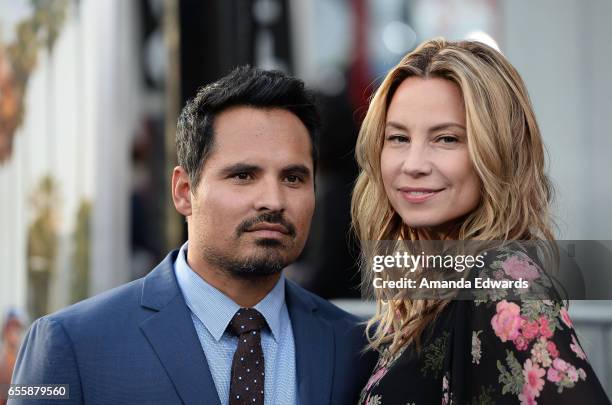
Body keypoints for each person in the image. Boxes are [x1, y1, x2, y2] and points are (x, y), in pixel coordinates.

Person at [10, 66, 375, 405]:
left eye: (293, 178)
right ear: (184, 191)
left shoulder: (356, 347)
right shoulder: (71, 344)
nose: (274, 200)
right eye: (243, 175)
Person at [351, 39, 611, 404]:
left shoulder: (502, 279)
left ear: (498, 151)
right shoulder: (436, 286)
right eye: (398, 137)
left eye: (446, 138)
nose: (413, 164)